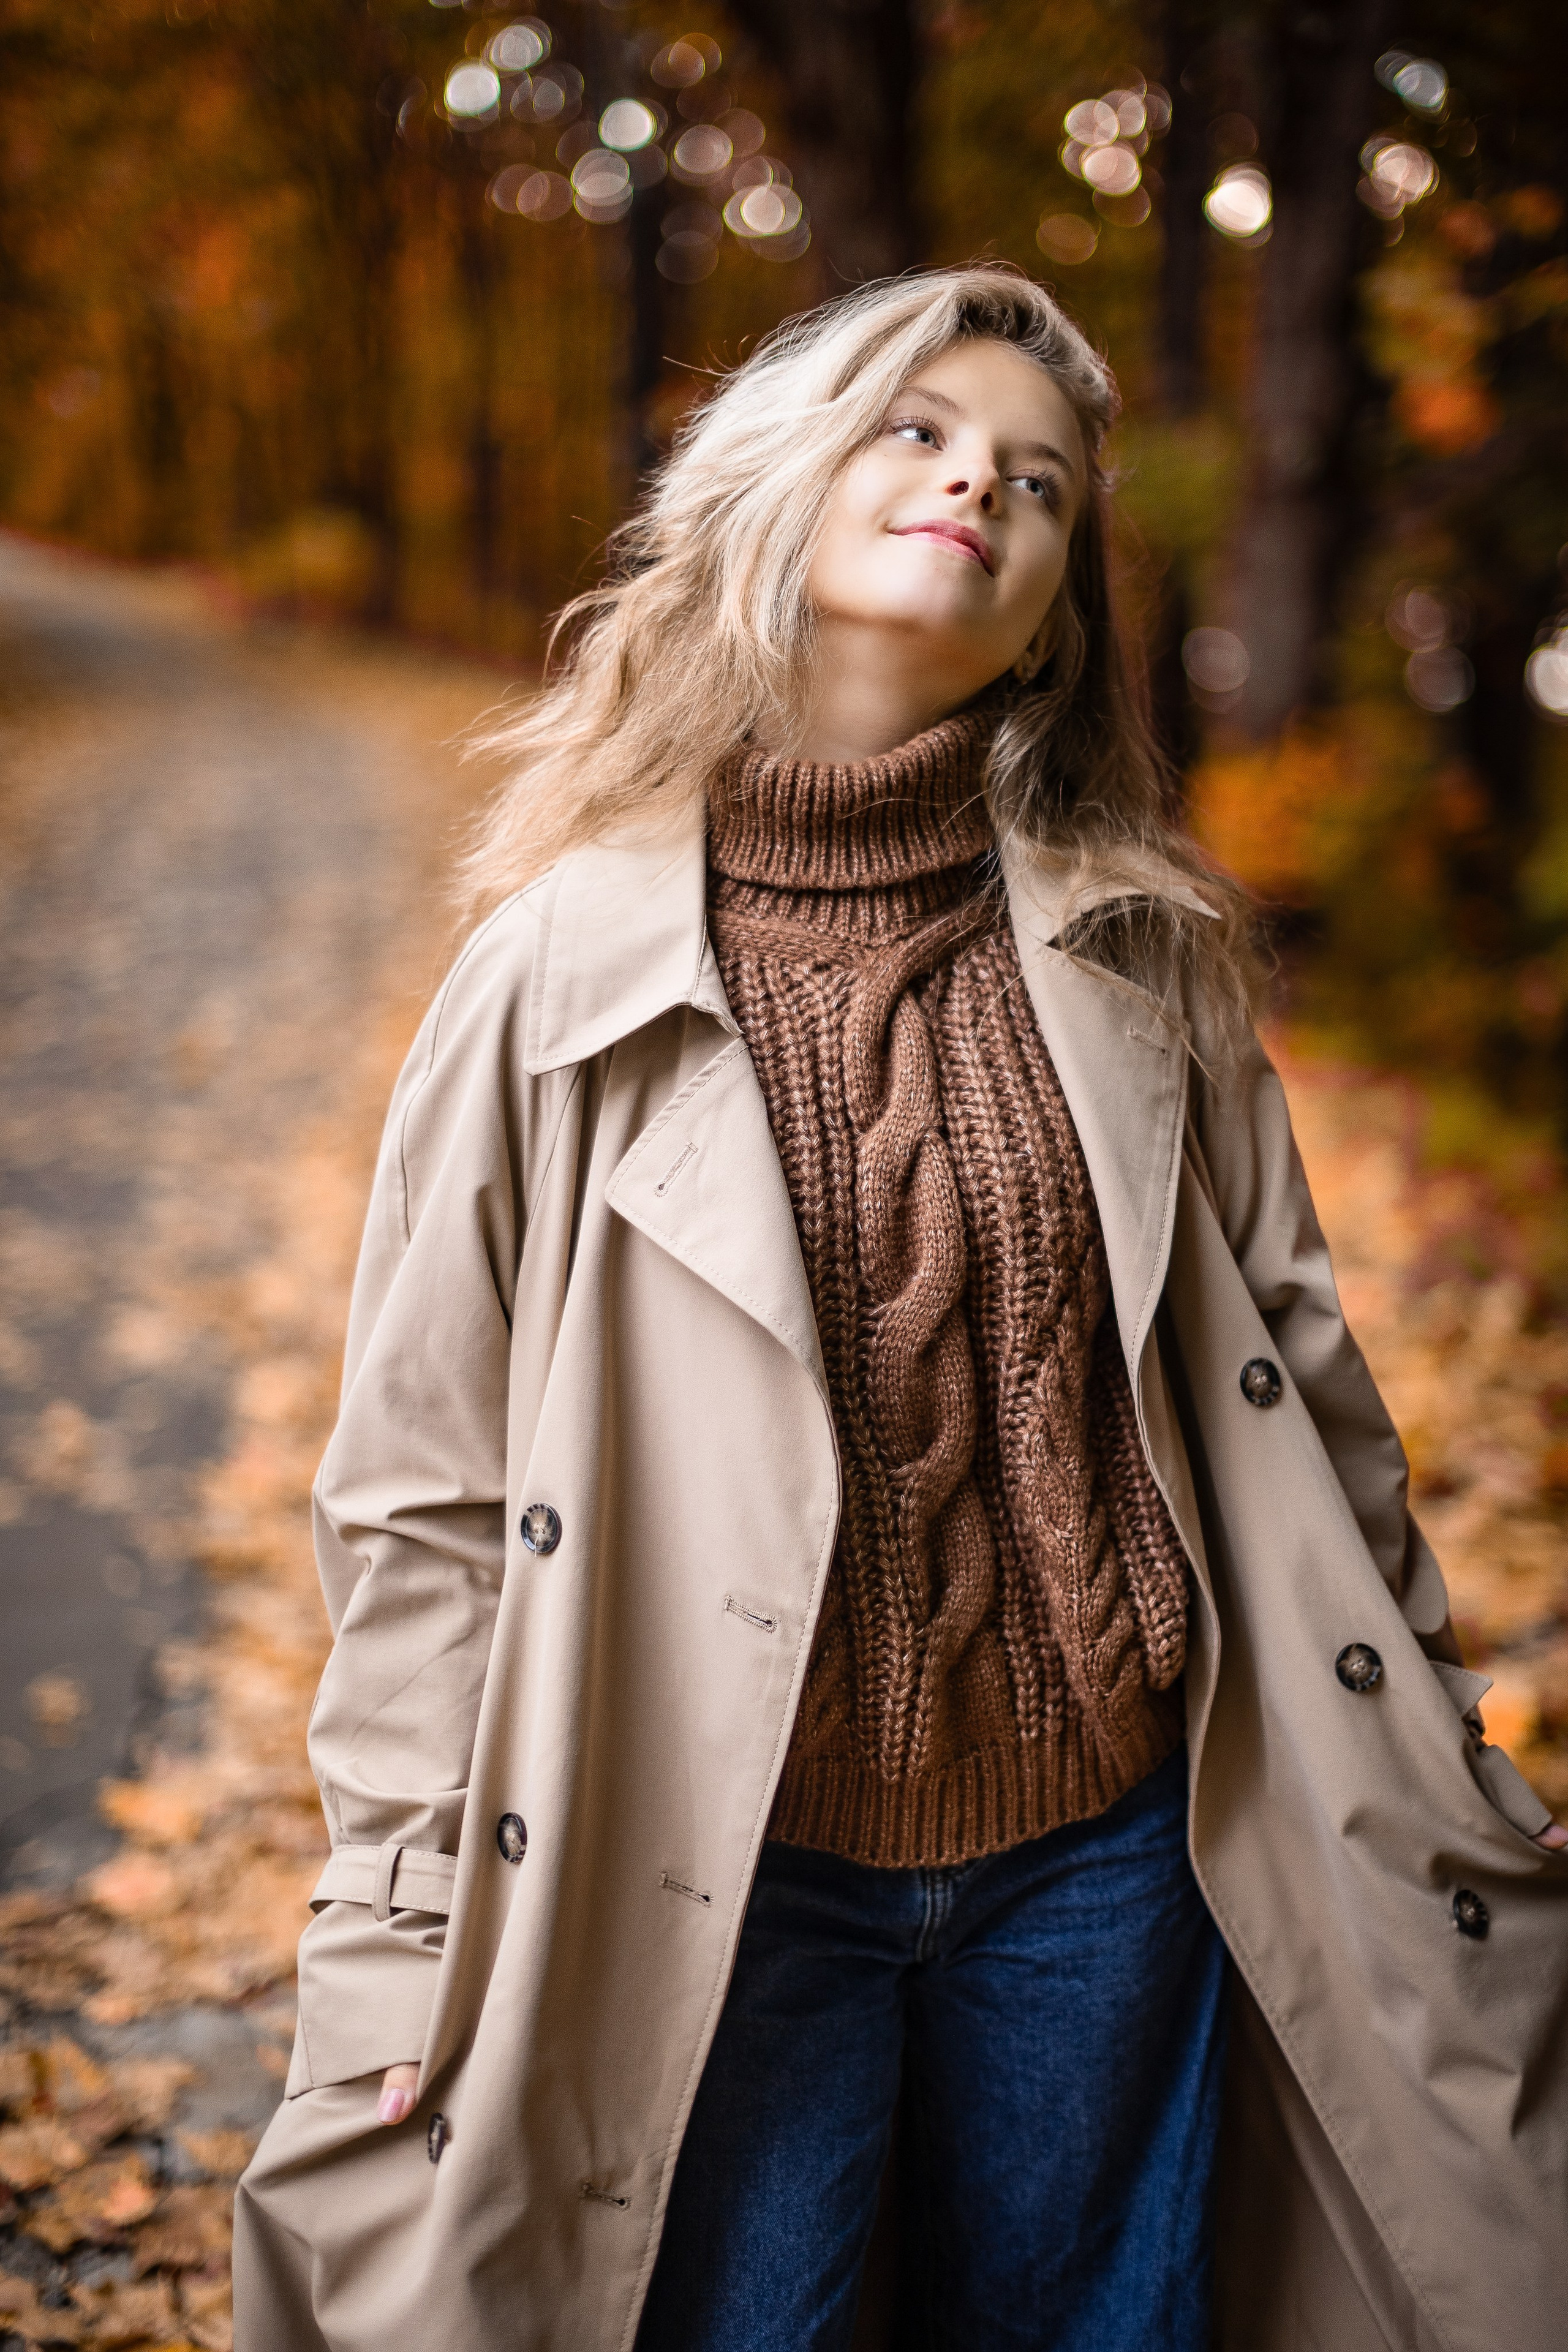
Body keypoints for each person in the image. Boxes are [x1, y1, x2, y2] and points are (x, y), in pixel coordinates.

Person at [233, 266, 1567, 2352]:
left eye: (1037, 485)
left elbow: (1311, 1395)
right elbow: (422, 1498)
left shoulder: (1152, 963)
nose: (980, 488)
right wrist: (404, 1923)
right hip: (720, 1875)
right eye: (918, 433)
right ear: (779, 490)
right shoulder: (553, 979)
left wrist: (1439, 1763)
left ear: (1054, 610)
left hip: (1109, 1862)